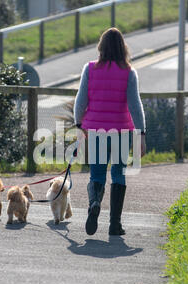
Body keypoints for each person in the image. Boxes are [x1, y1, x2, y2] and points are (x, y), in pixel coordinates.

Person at [74, 27, 146, 236]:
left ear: (101, 47)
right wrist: (141, 134)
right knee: (118, 174)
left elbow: (80, 101)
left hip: (95, 131)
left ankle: (95, 202)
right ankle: (115, 224)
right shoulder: (129, 72)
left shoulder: (89, 69)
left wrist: (79, 124)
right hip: (122, 131)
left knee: (96, 173)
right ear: (123, 48)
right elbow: (135, 105)